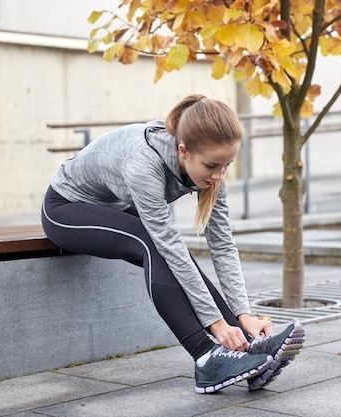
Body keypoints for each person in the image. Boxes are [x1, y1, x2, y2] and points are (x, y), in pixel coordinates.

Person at [41, 94, 304, 393]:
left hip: (110, 206)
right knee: (153, 244)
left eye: (226, 165)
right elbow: (168, 246)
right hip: (65, 208)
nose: (218, 176)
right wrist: (216, 325)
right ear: (183, 151)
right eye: (211, 166)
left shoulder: (212, 168)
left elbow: (222, 244)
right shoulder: (144, 163)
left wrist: (243, 315)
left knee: (174, 251)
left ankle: (247, 346)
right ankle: (206, 359)